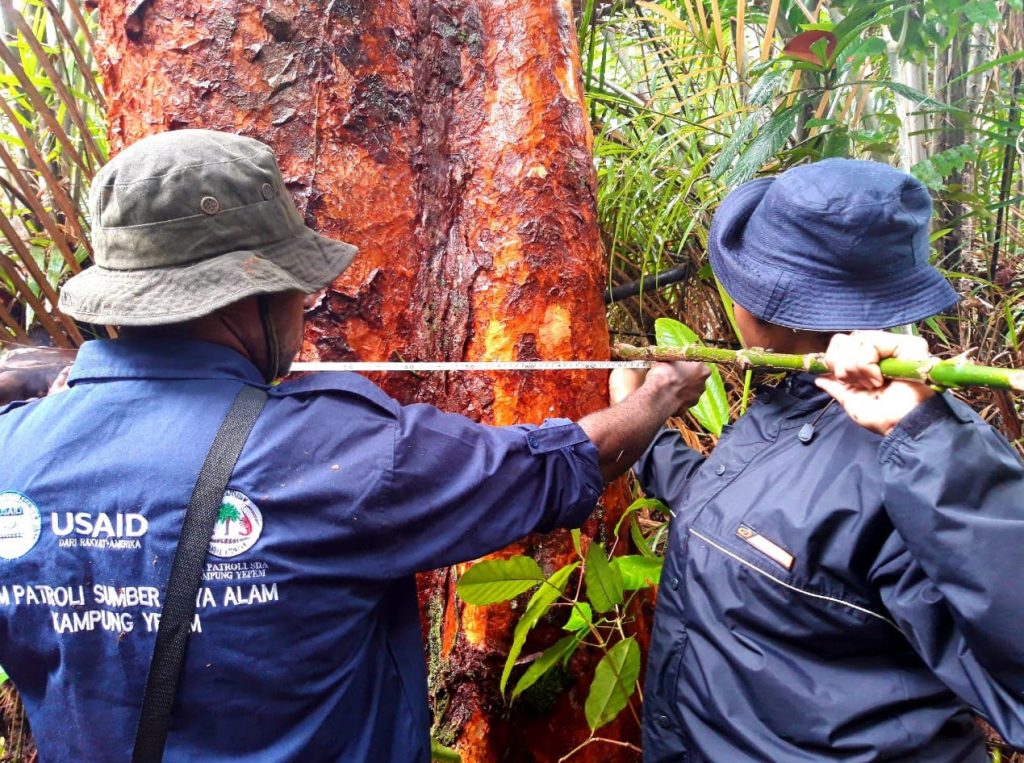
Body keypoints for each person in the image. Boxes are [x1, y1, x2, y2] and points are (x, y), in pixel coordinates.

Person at [0, 129, 710, 762]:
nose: (307, 306)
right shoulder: (336, 451)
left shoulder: (13, 450)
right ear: (249, 296)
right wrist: (656, 399)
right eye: (297, 287)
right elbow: (558, 467)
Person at [610, 159, 1024, 762]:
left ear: (765, 311)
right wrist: (642, 427)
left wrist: (931, 441)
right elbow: (752, 523)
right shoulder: (796, 405)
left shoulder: (923, 458)